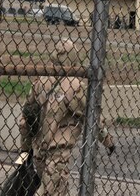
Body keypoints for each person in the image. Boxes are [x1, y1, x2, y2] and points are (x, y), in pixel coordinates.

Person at [19, 38, 115, 195]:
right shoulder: (75, 85)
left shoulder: (41, 81)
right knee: (50, 191)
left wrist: (24, 151)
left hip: (38, 152)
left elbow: (25, 119)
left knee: (55, 190)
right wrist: (108, 141)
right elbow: (93, 117)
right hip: (58, 153)